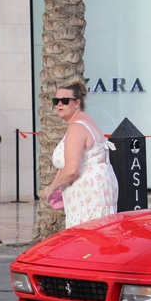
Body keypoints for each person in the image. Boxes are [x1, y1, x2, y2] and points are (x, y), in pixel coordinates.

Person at [41, 81, 119, 228]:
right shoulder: (86, 121)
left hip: (88, 193)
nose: (59, 104)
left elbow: (71, 169)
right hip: (98, 189)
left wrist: (51, 188)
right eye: (56, 101)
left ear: (77, 103)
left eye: (65, 100)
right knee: (101, 233)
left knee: (87, 237)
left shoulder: (77, 127)